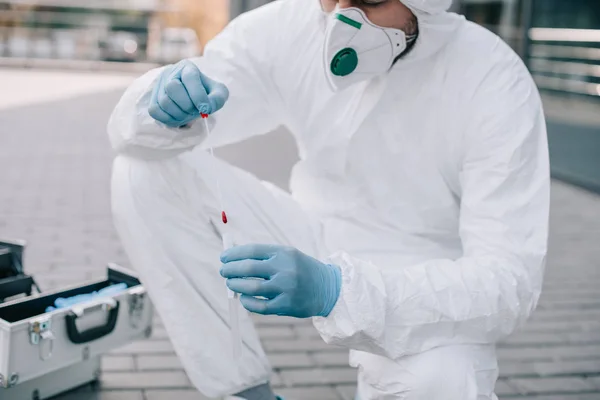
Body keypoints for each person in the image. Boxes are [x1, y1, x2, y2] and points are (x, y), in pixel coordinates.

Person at [108, 0, 550, 399]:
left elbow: (508, 281)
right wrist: (160, 106)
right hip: (312, 235)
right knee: (144, 167)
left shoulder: (492, 78)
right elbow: (181, 110)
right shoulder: (288, 27)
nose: (342, 17)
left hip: (424, 272)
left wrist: (339, 292)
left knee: (445, 382)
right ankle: (242, 393)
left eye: (370, 1)